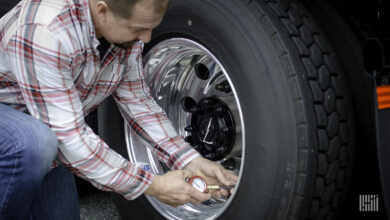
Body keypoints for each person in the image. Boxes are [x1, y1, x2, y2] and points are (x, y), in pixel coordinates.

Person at [0, 0, 237, 219]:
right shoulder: (46, 30)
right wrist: (152, 185)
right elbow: (70, 139)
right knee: (32, 142)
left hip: (45, 120)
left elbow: (138, 103)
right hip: (14, 121)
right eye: (137, 29)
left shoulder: (122, 33)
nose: (146, 39)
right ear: (102, 10)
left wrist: (189, 160)